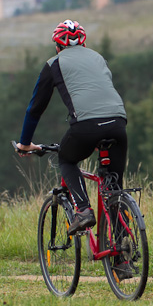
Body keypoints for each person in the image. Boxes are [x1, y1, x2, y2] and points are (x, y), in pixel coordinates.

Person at [16, 19, 128, 235]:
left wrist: (25, 143)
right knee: (115, 190)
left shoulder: (54, 63)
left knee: (67, 159)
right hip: (117, 122)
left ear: (57, 46)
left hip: (86, 125)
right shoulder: (98, 58)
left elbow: (34, 109)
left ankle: (84, 210)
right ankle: (122, 259)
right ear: (83, 43)